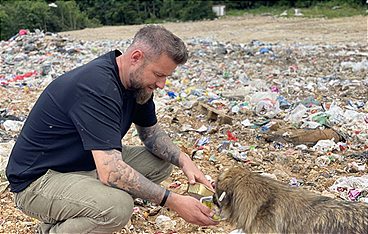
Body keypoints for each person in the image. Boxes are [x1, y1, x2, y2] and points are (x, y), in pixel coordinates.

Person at [6, 25, 218, 233]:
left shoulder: (138, 85)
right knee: (118, 207)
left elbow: (151, 134)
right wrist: (172, 201)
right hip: (38, 181)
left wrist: (184, 161)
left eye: (166, 77)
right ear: (136, 57)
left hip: (82, 165)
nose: (161, 84)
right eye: (158, 74)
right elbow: (111, 172)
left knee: (160, 163)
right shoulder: (98, 86)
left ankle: (77, 213)